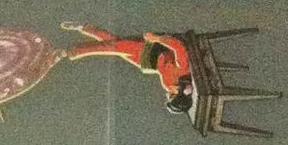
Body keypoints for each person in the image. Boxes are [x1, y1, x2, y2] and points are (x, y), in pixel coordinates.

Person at [60, 22, 196, 115]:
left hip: (146, 62)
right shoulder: (182, 72)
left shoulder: (170, 87)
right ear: (179, 94)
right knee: (111, 47)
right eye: (171, 97)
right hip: (150, 50)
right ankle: (68, 52)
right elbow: (178, 47)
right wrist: (157, 38)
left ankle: (85, 27)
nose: (167, 96)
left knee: (113, 42)